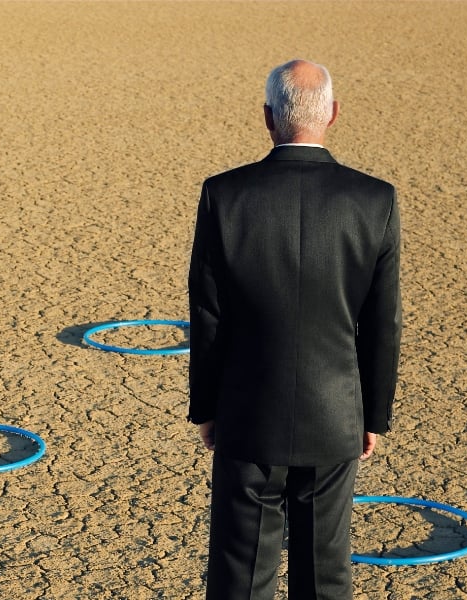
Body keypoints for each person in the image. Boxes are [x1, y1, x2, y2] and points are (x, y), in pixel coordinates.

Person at [187, 59, 402, 600]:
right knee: (324, 573)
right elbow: (383, 322)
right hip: (335, 414)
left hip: (247, 408)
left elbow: (207, 313)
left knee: (241, 572)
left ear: (267, 117)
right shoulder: (374, 199)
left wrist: (207, 408)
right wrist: (371, 415)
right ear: (332, 114)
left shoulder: (225, 195)